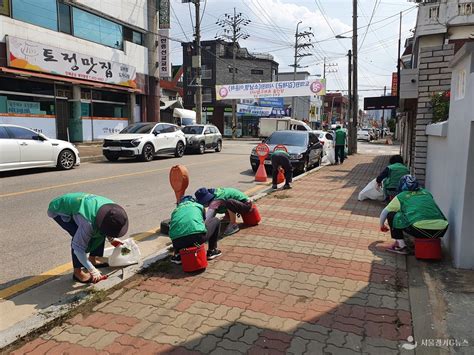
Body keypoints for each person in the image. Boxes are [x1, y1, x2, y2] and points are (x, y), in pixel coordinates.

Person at [48, 192, 128, 283]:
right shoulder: (88, 223)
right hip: (59, 208)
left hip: (81, 206)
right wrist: (92, 270)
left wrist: (112, 239)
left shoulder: (113, 210)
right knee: (78, 238)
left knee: (99, 232)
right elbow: (78, 250)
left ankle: (92, 259)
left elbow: (106, 226)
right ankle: (78, 273)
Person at [380, 175, 449, 255]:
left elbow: (384, 212)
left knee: (392, 215)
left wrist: (382, 225)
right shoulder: (426, 193)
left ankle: (401, 246)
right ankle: (416, 242)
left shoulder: (401, 196)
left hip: (420, 229)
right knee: (417, 216)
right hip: (442, 229)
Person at [169, 195, 221, 264]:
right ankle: (212, 251)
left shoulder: (175, 211)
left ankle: (178, 255)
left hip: (177, 242)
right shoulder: (198, 206)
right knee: (215, 220)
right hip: (198, 238)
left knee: (177, 228)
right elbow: (203, 222)